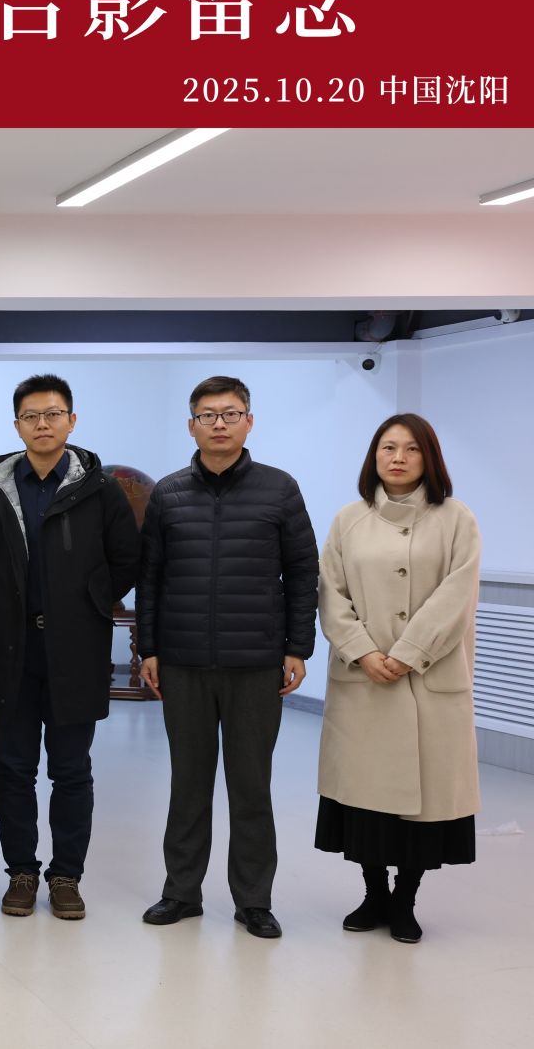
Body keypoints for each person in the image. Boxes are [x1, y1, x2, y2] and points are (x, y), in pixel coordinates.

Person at [137, 376, 319, 940]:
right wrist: (149, 648)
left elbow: (303, 572)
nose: (220, 424)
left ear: (249, 421)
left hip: (256, 664)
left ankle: (254, 901)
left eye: (231, 413)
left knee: (251, 786)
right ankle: (180, 892)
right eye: (208, 415)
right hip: (184, 662)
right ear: (191, 425)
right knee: (188, 785)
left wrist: (298, 646)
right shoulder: (168, 494)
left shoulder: (280, 489)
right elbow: (150, 578)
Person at [0, 374, 140, 922]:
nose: (42, 424)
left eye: (53, 414)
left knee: (71, 771)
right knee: (13, 768)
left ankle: (66, 876)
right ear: (17, 425)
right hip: (10, 651)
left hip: (75, 651)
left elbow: (127, 558)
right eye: (31, 416)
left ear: (71, 420)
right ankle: (20, 872)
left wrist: (88, 602)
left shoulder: (100, 488)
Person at [316, 414, 480, 944]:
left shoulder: (456, 519)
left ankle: (405, 900)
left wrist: (410, 653)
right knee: (366, 801)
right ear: (374, 456)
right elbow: (330, 594)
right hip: (364, 681)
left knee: (422, 808)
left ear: (429, 458)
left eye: (411, 449)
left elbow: (458, 595)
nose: (398, 458)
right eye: (388, 448)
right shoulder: (349, 520)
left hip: (429, 681)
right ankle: (373, 895)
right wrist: (363, 652)